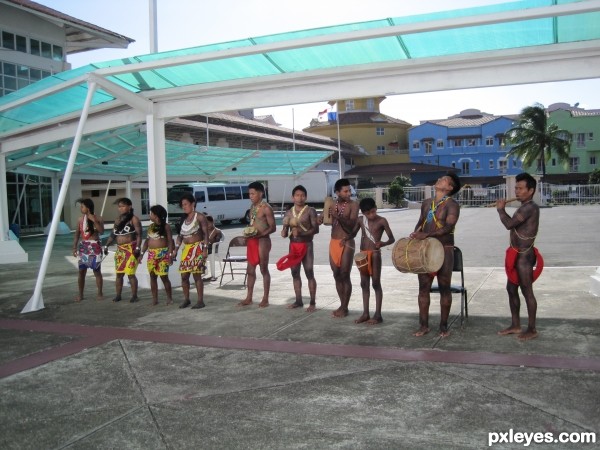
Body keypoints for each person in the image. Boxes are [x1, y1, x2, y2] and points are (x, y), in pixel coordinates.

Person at [409, 173, 461, 337]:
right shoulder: (426, 203)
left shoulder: (452, 205)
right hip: (426, 249)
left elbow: (448, 227)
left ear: (450, 187)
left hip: (444, 249)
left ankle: (443, 327)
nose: (440, 179)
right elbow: (421, 223)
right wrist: (415, 233)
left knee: (445, 289)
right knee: (423, 288)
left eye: (444, 179)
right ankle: (423, 326)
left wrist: (427, 235)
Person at [496, 172, 542, 341]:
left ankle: (532, 328)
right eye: (516, 188)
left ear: (530, 191)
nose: (517, 191)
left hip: (524, 255)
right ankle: (516, 325)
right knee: (511, 288)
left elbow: (509, 224)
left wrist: (501, 210)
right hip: (516, 254)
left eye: (521, 188)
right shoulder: (523, 207)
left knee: (527, 291)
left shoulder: (530, 207)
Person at [277, 185, 320, 312]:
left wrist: (301, 233)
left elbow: (315, 229)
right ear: (292, 197)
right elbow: (285, 231)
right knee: (295, 273)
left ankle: (312, 302)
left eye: (302, 195)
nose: (300, 198)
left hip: (306, 245)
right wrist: (284, 231)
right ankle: (298, 300)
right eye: (297, 195)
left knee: (309, 272)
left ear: (305, 197)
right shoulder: (289, 212)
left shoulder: (310, 210)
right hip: (293, 245)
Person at [321, 178, 359, 318]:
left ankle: (344, 307)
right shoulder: (332, 204)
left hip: (347, 241)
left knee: (344, 274)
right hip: (334, 242)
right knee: (336, 275)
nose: (349, 193)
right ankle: (342, 305)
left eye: (349, 190)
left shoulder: (354, 205)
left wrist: (339, 217)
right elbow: (323, 219)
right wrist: (320, 219)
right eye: (345, 191)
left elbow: (351, 225)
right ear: (337, 192)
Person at [354, 197, 395, 324]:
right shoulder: (361, 220)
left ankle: (378, 315)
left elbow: (392, 239)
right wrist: (345, 239)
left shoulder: (382, 221)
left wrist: (382, 243)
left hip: (375, 255)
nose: (371, 215)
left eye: (373, 211)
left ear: (376, 208)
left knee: (376, 283)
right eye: (368, 213)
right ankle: (365, 313)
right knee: (364, 283)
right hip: (363, 254)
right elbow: (353, 233)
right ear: (363, 213)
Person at [238, 181, 276, 308]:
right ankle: (249, 297)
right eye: (249, 194)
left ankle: (265, 298)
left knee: (263, 269)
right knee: (250, 270)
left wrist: (260, 235)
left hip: (263, 241)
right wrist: (247, 235)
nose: (251, 196)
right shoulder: (252, 207)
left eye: (253, 193)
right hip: (252, 241)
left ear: (261, 193)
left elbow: (273, 227)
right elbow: (252, 224)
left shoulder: (266, 208)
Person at [174, 193, 209, 309]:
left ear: (192, 204)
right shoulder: (182, 219)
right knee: (184, 276)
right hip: (186, 250)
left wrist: (205, 250)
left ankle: (200, 301)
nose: (184, 207)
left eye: (186, 204)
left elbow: (206, 234)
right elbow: (180, 236)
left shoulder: (200, 217)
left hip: (198, 248)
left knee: (197, 276)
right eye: (182, 205)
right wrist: (176, 248)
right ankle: (186, 299)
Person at [104, 198, 143, 303]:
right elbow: (113, 234)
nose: (120, 208)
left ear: (129, 206)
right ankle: (118, 295)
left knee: (130, 274)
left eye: (122, 206)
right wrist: (106, 245)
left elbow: (139, 235)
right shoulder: (117, 220)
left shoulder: (134, 219)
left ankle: (134, 296)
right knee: (119, 274)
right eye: (119, 206)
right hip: (120, 250)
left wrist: (138, 248)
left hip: (131, 249)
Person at [140, 205, 175, 306]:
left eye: (151, 213)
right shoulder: (150, 227)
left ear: (156, 215)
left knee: (164, 276)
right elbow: (147, 241)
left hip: (163, 254)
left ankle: (169, 298)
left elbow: (170, 241)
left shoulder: (166, 226)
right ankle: (154, 299)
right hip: (152, 254)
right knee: (152, 276)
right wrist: (142, 253)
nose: (149, 215)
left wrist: (170, 255)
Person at [72, 198, 105, 302]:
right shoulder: (80, 219)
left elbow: (101, 231)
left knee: (97, 271)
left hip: (94, 246)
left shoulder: (98, 218)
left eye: (82, 206)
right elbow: (77, 234)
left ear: (88, 207)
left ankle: (100, 292)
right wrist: (74, 247)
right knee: (81, 271)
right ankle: (80, 294)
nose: (81, 208)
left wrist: (94, 220)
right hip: (84, 246)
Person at [203, 215, 223, 282]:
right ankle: (202, 272)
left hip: (213, 249)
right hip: (204, 249)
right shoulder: (204, 231)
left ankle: (213, 275)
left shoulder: (217, 231)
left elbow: (217, 241)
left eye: (208, 223)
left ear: (212, 222)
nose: (207, 225)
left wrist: (208, 241)